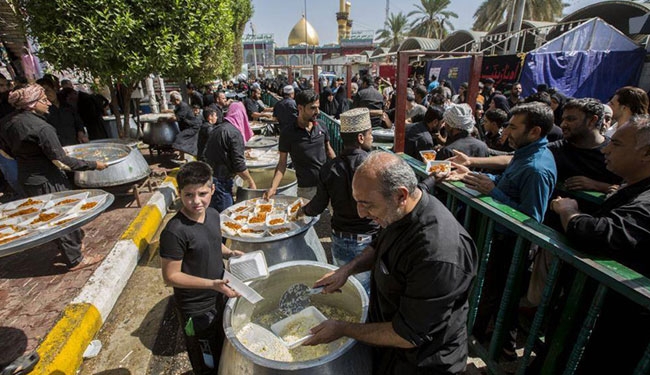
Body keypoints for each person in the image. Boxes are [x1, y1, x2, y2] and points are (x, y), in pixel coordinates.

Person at [304, 151, 478, 375]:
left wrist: (343, 328)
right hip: (392, 348)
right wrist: (346, 271)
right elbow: (379, 246)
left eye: (367, 205)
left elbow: (408, 334)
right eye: (358, 202)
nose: (361, 213)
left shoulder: (438, 254)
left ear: (400, 195)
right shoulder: (402, 210)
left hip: (423, 362)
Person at [544, 115, 650, 374]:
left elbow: (596, 234)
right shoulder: (633, 189)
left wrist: (570, 212)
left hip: (620, 319)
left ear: (646, 153)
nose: (606, 148)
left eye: (616, 144)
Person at [451, 102, 557, 358]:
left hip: (514, 244)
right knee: (495, 292)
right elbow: (509, 182)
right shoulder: (525, 155)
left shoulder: (537, 168)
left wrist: (492, 191)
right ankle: (485, 337)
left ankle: (502, 349)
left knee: (505, 296)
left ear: (534, 131)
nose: (506, 131)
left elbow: (532, 218)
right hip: (501, 238)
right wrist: (476, 177)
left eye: (513, 126)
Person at [0, 84, 108, 270]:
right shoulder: (42, 128)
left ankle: (70, 245)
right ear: (31, 104)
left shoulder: (6, 122)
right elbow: (61, 160)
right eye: (43, 100)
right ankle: (75, 259)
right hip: (48, 178)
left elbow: (5, 152)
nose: (49, 103)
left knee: (47, 215)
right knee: (62, 217)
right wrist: (94, 165)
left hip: (26, 176)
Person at [159, 161, 243, 374]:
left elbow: (213, 243)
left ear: (212, 189)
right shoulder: (174, 232)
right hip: (196, 311)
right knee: (206, 362)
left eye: (202, 193)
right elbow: (171, 276)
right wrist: (212, 284)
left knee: (224, 348)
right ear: (179, 194)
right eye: (189, 195)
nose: (196, 201)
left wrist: (230, 252)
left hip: (220, 297)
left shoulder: (214, 214)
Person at [299, 108, 378, 293]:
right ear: (360, 137)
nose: (372, 138)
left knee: (343, 287)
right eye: (370, 134)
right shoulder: (373, 166)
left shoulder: (329, 168)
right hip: (368, 243)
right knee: (363, 292)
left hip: (340, 239)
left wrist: (302, 211)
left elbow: (317, 206)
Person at [265, 89, 336, 200]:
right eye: (312, 108)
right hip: (307, 189)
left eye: (318, 107)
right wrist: (273, 188)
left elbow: (329, 150)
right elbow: (282, 164)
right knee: (309, 217)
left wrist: (340, 171)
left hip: (328, 183)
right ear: (300, 108)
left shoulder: (321, 126)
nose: (317, 112)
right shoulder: (288, 133)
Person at [203, 105, 256, 212]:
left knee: (215, 212)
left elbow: (221, 150)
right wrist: (251, 182)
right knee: (226, 214)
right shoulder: (234, 133)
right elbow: (239, 165)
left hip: (211, 176)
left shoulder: (218, 128)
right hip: (222, 181)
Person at [169, 91, 202, 160]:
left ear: (177, 100)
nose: (170, 101)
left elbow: (177, 118)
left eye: (172, 99)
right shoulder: (178, 105)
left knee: (179, 139)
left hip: (192, 126)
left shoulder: (183, 106)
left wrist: (165, 118)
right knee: (185, 142)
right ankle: (182, 157)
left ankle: (185, 158)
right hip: (186, 126)